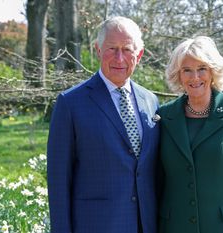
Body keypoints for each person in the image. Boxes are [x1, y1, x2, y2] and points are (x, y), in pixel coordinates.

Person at [47, 16, 160, 233]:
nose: (119, 58)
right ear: (98, 49)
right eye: (111, 49)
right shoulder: (71, 103)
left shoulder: (151, 101)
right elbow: (59, 181)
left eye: (127, 49)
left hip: (145, 225)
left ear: (139, 54)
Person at [158, 36, 223, 233]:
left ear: (213, 72)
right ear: (178, 75)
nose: (194, 77)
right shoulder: (164, 116)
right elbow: (157, 180)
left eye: (202, 69)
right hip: (174, 226)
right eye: (186, 70)